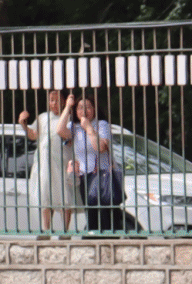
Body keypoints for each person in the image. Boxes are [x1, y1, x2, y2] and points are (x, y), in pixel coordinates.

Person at [17, 89, 78, 237]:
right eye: (51, 100)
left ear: (64, 101)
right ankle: (46, 230)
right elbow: (33, 135)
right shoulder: (43, 117)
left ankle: (65, 231)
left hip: (63, 161)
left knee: (64, 194)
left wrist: (68, 107)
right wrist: (23, 125)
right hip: (44, 162)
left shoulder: (69, 118)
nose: (54, 103)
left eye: (57, 100)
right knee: (45, 193)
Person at [70, 94, 126, 232]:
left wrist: (89, 128)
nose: (84, 111)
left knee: (106, 214)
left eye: (88, 107)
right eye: (80, 108)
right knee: (91, 214)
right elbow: (59, 131)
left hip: (102, 175)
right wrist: (67, 107)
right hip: (84, 177)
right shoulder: (74, 127)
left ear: (94, 109)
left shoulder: (101, 125)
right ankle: (94, 239)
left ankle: (110, 238)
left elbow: (100, 147)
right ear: (75, 111)